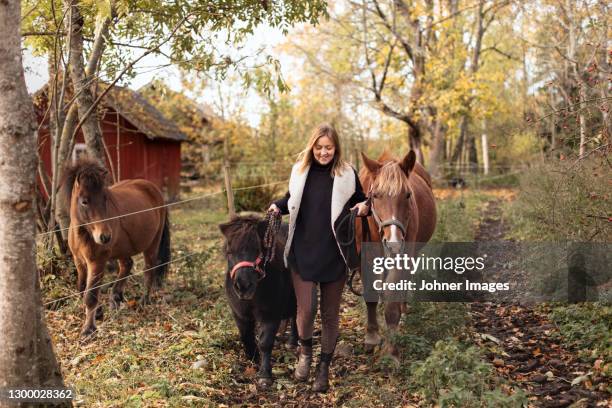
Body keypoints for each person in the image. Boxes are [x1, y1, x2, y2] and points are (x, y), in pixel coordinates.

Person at [268, 123, 369, 392]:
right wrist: (277, 206)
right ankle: (305, 354)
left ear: (336, 148)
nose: (323, 152)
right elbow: (292, 199)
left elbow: (363, 200)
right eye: (319, 147)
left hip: (334, 252)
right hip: (302, 249)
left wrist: (363, 207)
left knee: (329, 314)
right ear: (312, 146)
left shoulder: (347, 173)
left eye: (329, 147)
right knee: (307, 308)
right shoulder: (300, 171)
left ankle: (323, 367)